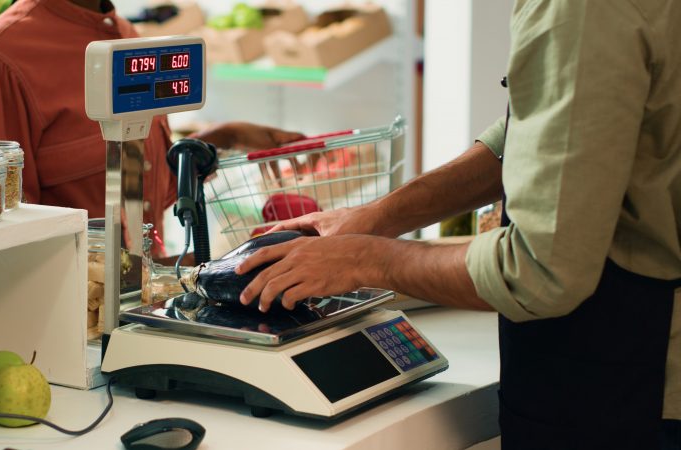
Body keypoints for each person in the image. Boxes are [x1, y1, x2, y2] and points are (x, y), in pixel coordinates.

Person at [236, 1, 680, 449]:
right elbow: (546, 131)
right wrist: (376, 218)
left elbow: (541, 272)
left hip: (631, 393)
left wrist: (366, 259)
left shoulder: (579, 10)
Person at [0, 0, 303, 257]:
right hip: (65, 324)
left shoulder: (123, 33)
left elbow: (135, 186)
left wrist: (223, 138)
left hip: (138, 305)